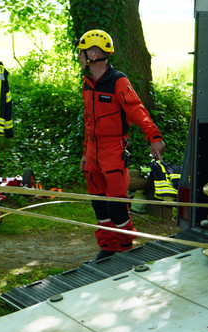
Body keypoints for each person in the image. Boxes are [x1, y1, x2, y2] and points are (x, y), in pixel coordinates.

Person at [75, 29, 166, 260]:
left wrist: (153, 137)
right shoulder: (87, 83)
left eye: (82, 51)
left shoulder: (118, 81)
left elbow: (137, 110)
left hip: (113, 148)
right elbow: (88, 123)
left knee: (116, 203)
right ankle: (108, 246)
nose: (80, 56)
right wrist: (86, 153)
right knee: (98, 202)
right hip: (94, 150)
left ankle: (124, 247)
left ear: (95, 53)